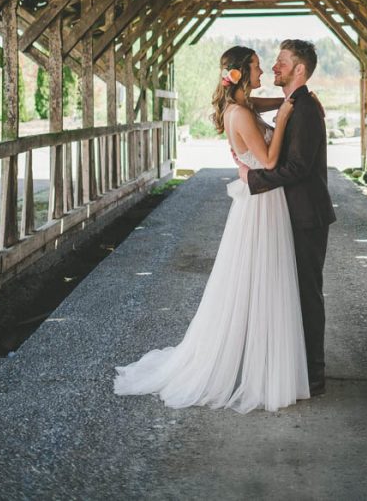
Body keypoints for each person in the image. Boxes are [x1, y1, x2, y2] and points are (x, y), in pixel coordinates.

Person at [114, 46, 310, 413]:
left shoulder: (242, 107)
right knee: (261, 280)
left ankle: (258, 360)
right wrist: (283, 118)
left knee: (259, 280)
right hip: (261, 205)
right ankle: (255, 367)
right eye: (255, 67)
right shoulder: (242, 115)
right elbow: (267, 161)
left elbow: (261, 102)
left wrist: (292, 98)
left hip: (261, 202)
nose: (262, 71)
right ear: (239, 72)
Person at [237, 40, 336, 397]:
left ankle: (314, 376)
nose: (274, 67)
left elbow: (297, 167)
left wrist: (254, 179)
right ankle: (296, 368)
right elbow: (241, 102)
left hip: (306, 215)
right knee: (290, 293)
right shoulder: (296, 104)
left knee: (308, 294)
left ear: (299, 69)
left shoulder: (307, 111)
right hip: (290, 214)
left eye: (281, 62)